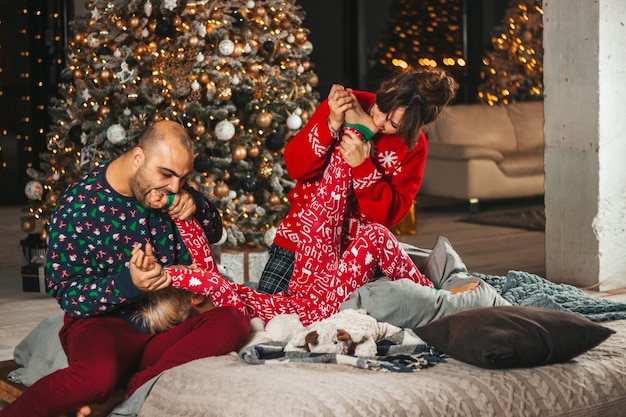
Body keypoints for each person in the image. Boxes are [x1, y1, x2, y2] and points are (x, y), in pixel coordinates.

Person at [0, 121, 250, 417]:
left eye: (182, 179)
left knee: (233, 319)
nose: (174, 187)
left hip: (168, 322)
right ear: (138, 157)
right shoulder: (79, 205)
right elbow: (69, 295)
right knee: (93, 379)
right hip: (105, 325)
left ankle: (128, 389)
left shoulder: (174, 192)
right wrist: (129, 283)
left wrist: (196, 203)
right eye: (166, 174)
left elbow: (212, 232)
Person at [257, 67, 458, 295]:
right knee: (269, 308)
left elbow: (386, 216)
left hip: (356, 256)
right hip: (298, 241)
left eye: (393, 125)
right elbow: (295, 166)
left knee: (345, 319)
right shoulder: (346, 104)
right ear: (386, 90)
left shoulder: (414, 146)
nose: (379, 120)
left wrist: (363, 167)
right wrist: (332, 124)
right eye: (381, 108)